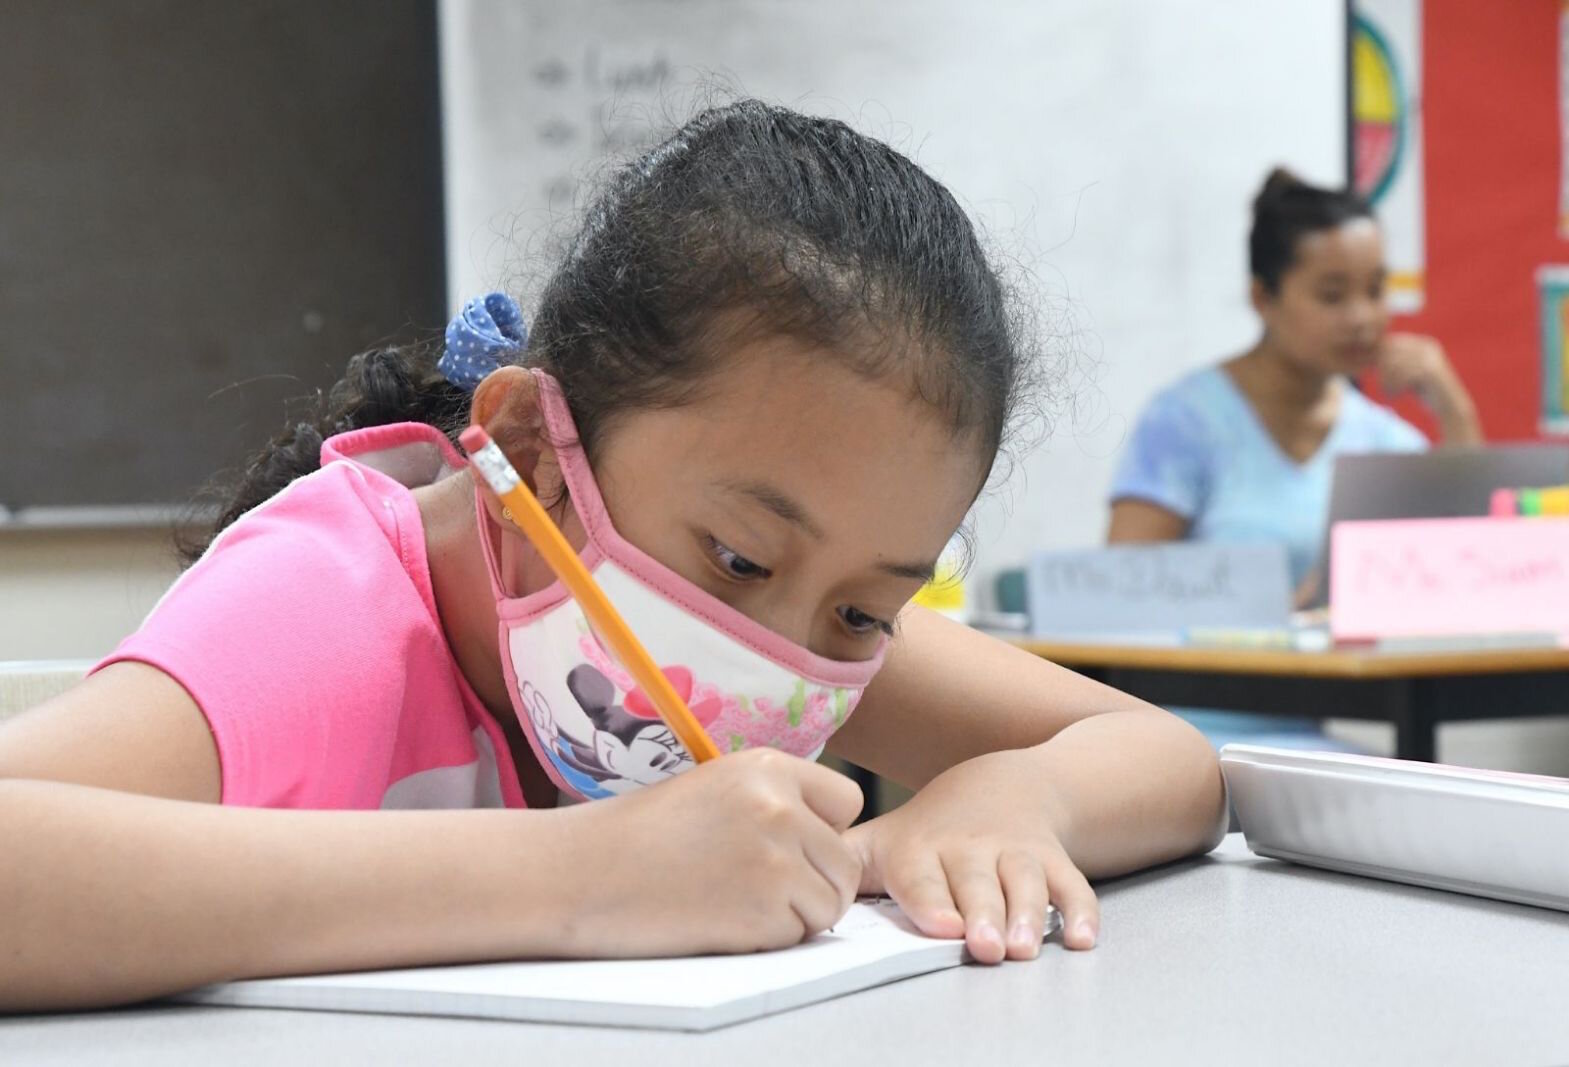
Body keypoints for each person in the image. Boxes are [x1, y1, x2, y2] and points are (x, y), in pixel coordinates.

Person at [0, 101, 1224, 1012]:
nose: (778, 657)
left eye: (867, 610)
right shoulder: (328, 606)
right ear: (534, 449)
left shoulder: (795, 624)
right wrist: (587, 874)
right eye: (741, 557)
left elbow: (1173, 763)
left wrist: (1014, 793)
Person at [1107, 167, 1483, 749]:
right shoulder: (1186, 421)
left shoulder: (1379, 439)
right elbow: (1118, 586)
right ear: (1264, 297)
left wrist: (1453, 408)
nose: (1363, 316)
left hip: (1303, 738)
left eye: (1376, 289)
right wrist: (1258, 609)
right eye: (1332, 295)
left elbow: (1471, 552)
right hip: (1177, 736)